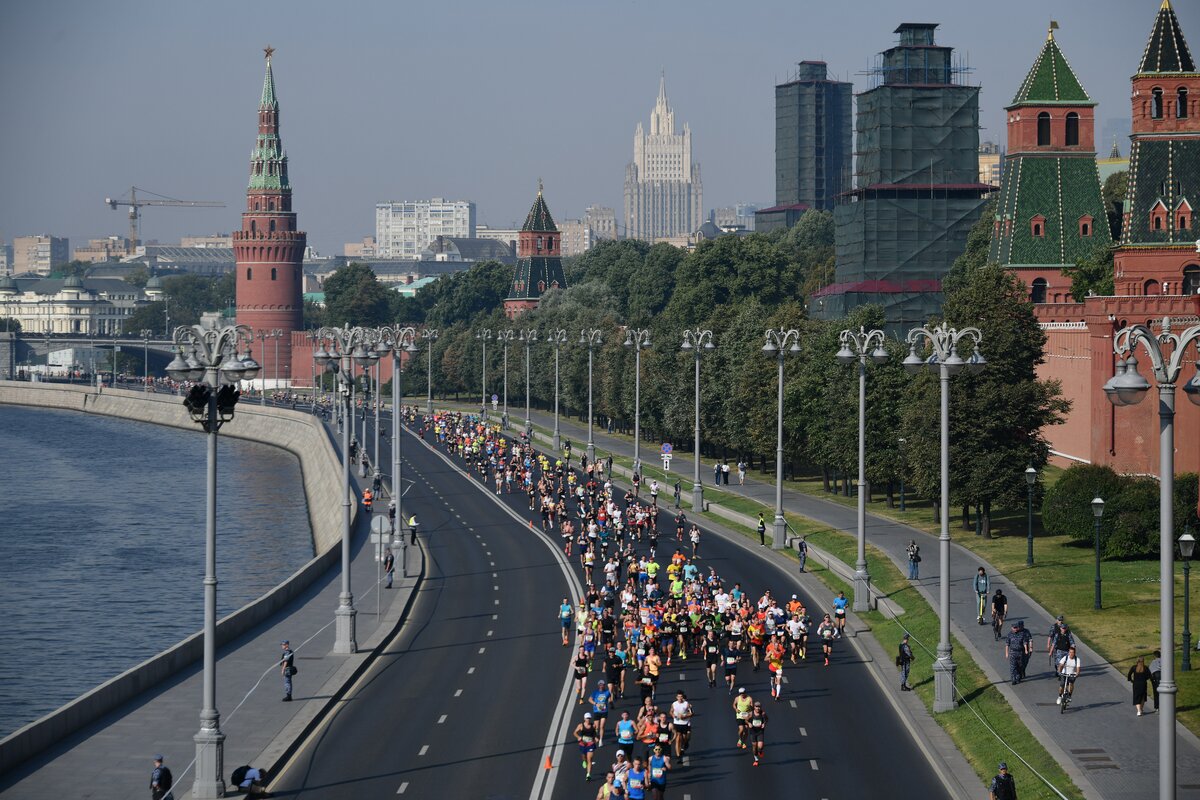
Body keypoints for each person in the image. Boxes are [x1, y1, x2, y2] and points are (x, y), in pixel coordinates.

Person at [575, 712, 600, 780]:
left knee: (590, 759)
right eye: (587, 718)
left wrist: (596, 737)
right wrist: (578, 737)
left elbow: (594, 734)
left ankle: (588, 774)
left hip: (590, 744)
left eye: (589, 718)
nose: (588, 719)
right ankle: (584, 761)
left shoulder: (593, 725)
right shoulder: (581, 725)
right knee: (584, 756)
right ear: (584, 718)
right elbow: (574, 732)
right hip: (583, 744)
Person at [590, 679, 613, 746]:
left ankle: (601, 740)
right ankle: (595, 735)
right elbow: (590, 699)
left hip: (604, 711)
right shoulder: (595, 692)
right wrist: (595, 704)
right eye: (600, 684)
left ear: (604, 685)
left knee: (602, 726)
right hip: (596, 711)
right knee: (596, 727)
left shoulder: (607, 692)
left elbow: (609, 699)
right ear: (598, 685)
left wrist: (611, 704)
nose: (601, 686)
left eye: (602, 684)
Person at [746, 701, 768, 765]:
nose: (758, 708)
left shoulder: (763, 713)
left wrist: (764, 723)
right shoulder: (751, 714)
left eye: (759, 707)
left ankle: (760, 751)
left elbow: (766, 719)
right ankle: (756, 759)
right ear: (754, 707)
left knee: (760, 747)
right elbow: (746, 720)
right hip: (753, 732)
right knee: (754, 746)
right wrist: (749, 723)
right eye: (756, 707)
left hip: (760, 731)